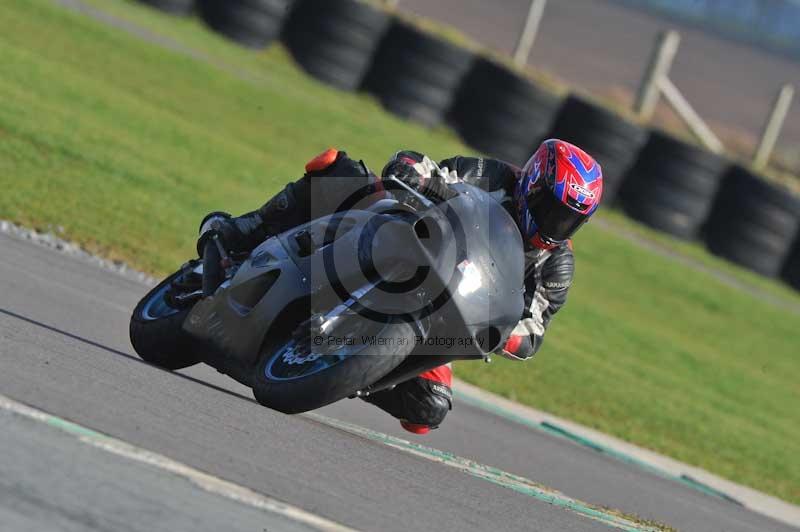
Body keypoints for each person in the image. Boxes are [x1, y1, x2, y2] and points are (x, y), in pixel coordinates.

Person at [197, 139, 603, 434]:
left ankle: (349, 373)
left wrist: (507, 335)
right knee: (342, 174)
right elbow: (427, 166)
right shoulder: (493, 176)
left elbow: (534, 327)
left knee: (428, 408)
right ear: (532, 183)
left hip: (445, 314)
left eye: (568, 219)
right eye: (550, 207)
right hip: (413, 248)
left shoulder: (556, 265)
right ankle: (242, 231)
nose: (554, 224)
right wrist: (414, 172)